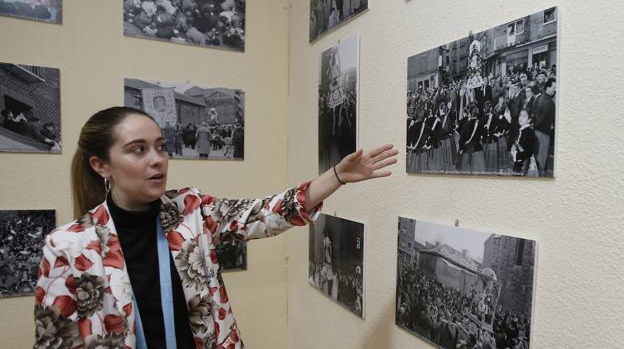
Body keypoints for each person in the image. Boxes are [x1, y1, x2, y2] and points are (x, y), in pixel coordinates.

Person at [33, 106, 397, 348]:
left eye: (160, 147)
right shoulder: (68, 245)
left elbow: (261, 214)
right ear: (101, 165)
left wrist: (336, 176)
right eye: (138, 150)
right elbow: (53, 340)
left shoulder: (189, 210)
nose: (158, 160)